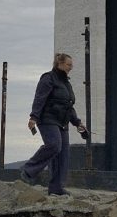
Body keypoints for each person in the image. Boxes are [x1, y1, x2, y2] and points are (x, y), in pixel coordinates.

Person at [20, 52, 88, 196]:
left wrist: (77, 123)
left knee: (63, 155)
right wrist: (33, 117)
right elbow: (40, 98)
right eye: (69, 64)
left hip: (62, 122)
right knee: (54, 146)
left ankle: (56, 188)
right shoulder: (48, 78)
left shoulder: (66, 84)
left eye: (72, 65)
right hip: (47, 120)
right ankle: (28, 170)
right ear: (60, 64)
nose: (71, 67)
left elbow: (69, 106)